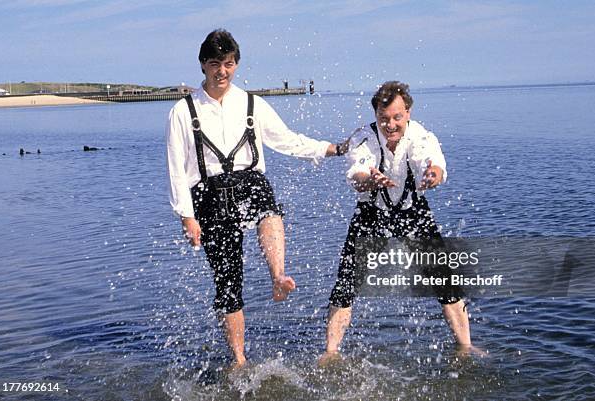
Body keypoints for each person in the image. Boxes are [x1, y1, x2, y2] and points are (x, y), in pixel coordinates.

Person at [166, 29, 348, 369]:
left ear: (237, 65)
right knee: (227, 282)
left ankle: (278, 276)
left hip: (250, 181)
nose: (222, 71)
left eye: (229, 64)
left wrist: (331, 149)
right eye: (215, 64)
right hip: (207, 194)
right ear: (203, 65)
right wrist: (186, 216)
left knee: (268, 209)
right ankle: (238, 358)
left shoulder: (252, 104)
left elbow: (288, 141)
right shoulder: (182, 111)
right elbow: (177, 169)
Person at [320, 81, 480, 365]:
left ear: (408, 112)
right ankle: (331, 352)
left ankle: (466, 346)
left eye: (396, 117)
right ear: (376, 114)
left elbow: (430, 162)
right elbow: (356, 172)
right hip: (372, 212)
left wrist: (432, 175)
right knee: (345, 283)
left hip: (412, 211)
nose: (390, 124)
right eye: (383, 118)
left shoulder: (421, 135)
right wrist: (369, 179)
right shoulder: (363, 137)